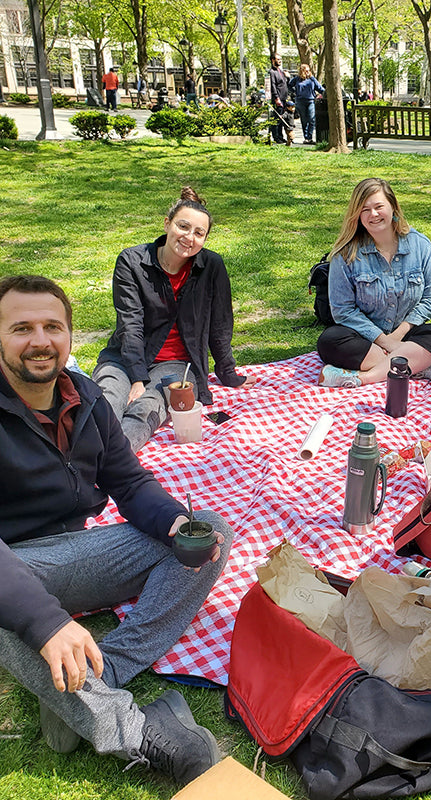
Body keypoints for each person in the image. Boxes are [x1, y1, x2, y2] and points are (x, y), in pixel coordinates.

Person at [0, 274, 233, 784]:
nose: (40, 340)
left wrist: (174, 523)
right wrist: (47, 624)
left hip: (76, 554)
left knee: (208, 531)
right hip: (11, 564)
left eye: (52, 327)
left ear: (68, 335)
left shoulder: (82, 394)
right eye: (22, 327)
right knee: (9, 612)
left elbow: (129, 482)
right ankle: (129, 728)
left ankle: (97, 673)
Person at [92, 186, 255, 453]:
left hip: (178, 365)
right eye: (183, 226)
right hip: (124, 359)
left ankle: (110, 462)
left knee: (147, 409)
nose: (189, 237)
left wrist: (228, 373)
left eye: (199, 233)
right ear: (167, 224)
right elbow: (130, 323)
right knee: (106, 402)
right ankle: (75, 462)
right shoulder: (131, 262)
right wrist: (137, 378)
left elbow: (221, 325)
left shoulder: (212, 266)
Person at [317, 178, 431, 387]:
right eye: (365, 210)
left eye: (379, 206)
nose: (373, 214)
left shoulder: (421, 246)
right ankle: (420, 366)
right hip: (363, 337)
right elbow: (343, 310)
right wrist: (384, 341)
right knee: (330, 341)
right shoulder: (345, 254)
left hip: (406, 334)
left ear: (393, 207)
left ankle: (362, 378)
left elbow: (430, 298)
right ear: (357, 215)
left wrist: (397, 337)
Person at [289, 64, 324, 145]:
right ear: (302, 71)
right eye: (306, 70)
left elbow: (320, 88)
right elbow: (289, 86)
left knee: (311, 119)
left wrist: (312, 78)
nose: (308, 72)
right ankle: (306, 138)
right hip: (300, 101)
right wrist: (295, 92)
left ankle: (310, 137)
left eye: (309, 70)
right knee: (304, 120)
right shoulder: (297, 79)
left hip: (310, 100)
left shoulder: (312, 79)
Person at [268, 54, 290, 144]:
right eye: (278, 59)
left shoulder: (280, 71)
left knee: (281, 119)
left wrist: (288, 77)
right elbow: (273, 85)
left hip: (284, 98)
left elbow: (286, 84)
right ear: (273, 60)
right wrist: (276, 98)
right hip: (278, 99)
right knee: (277, 119)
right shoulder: (272, 72)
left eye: (281, 59)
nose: (280, 61)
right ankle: (276, 137)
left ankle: (281, 137)